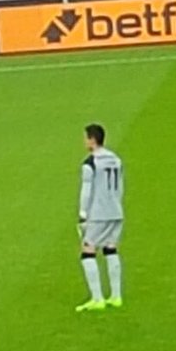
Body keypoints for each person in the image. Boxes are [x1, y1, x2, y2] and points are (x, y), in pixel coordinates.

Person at [76, 123, 125, 313]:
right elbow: (120, 187)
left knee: (87, 250)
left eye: (86, 137)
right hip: (116, 211)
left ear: (92, 139)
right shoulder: (116, 160)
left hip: (98, 212)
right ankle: (116, 296)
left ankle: (97, 298)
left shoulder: (90, 163)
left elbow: (86, 191)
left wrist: (83, 214)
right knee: (111, 249)